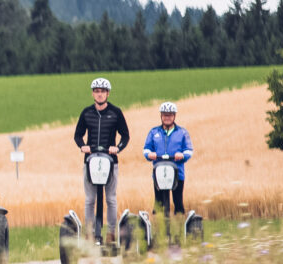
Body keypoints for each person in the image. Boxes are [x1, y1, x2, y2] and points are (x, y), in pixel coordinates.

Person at [73, 76, 130, 245]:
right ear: (93, 94)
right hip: (90, 161)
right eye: (96, 91)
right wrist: (82, 146)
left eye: (102, 92)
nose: (99, 95)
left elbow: (125, 135)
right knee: (90, 199)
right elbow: (77, 135)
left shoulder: (116, 112)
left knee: (110, 198)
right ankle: (90, 233)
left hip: (110, 161)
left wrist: (117, 147)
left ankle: (111, 233)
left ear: (108, 93)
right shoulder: (87, 113)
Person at [142, 101, 194, 237]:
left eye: (170, 115)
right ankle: (160, 233)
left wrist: (182, 155)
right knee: (159, 204)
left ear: (174, 116)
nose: (167, 117)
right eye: (165, 115)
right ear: (161, 116)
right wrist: (149, 154)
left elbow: (189, 150)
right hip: (159, 173)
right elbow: (146, 149)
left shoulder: (182, 133)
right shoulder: (154, 132)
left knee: (178, 203)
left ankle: (178, 233)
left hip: (177, 173)